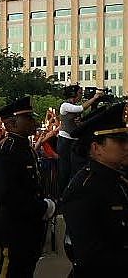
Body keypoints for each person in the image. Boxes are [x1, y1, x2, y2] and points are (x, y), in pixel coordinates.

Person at [62, 102, 128, 278]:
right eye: (119, 141)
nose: (126, 147)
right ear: (96, 147)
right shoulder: (85, 187)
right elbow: (90, 255)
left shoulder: (116, 179)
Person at [0, 96, 56, 278]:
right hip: (15, 229)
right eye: (27, 118)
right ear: (12, 123)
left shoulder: (24, 147)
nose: (33, 122)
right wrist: (42, 207)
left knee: (26, 271)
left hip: (30, 226)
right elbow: (8, 194)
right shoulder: (8, 149)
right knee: (12, 272)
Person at [57, 84, 103, 195]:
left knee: (74, 168)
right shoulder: (65, 105)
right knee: (65, 169)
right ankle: (61, 195)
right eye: (79, 93)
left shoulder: (73, 106)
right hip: (64, 140)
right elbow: (81, 108)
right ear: (73, 94)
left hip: (73, 140)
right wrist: (95, 97)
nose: (81, 95)